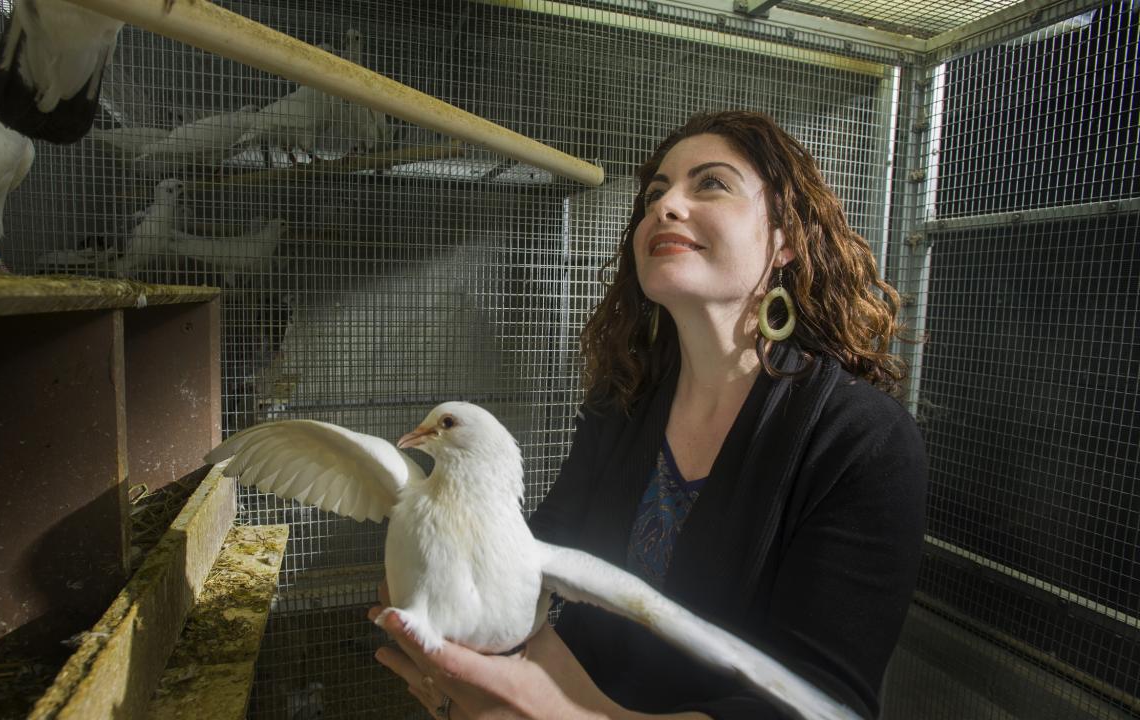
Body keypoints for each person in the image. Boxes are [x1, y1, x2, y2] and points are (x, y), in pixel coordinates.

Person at [370, 110, 927, 720]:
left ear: (786, 240)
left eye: (710, 183)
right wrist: (459, 656)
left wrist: (565, 714)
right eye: (655, 193)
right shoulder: (623, 402)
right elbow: (532, 558)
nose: (664, 206)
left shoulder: (862, 439)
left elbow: (827, 704)